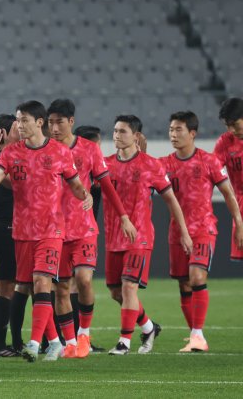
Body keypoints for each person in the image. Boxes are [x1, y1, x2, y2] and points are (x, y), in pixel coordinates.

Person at [0, 100, 92, 363]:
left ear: (39, 122)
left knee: (42, 282)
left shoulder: (60, 152)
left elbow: (75, 184)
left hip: (51, 231)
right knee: (30, 285)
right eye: (18, 120)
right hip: (22, 232)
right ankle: (53, 342)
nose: (20, 125)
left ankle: (34, 343)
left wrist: (87, 196)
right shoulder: (12, 152)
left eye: (24, 120)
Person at [47, 99, 136, 358]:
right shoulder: (45, 151)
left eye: (59, 122)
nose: (54, 127)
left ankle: (84, 333)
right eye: (50, 122)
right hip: (54, 230)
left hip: (84, 227)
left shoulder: (89, 149)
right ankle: (70, 342)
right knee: (61, 288)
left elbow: (106, 185)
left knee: (84, 280)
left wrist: (124, 217)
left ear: (71, 122)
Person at [103, 115, 191, 356]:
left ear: (136, 136)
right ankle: (150, 327)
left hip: (139, 238)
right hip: (113, 238)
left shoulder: (151, 165)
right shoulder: (105, 164)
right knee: (115, 292)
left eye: (122, 131)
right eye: (115, 131)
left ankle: (124, 342)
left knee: (129, 287)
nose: (117, 136)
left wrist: (184, 232)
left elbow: (171, 200)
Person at [161, 111, 243, 352]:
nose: (173, 135)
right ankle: (196, 335)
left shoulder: (209, 161)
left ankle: (197, 335)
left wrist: (239, 222)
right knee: (184, 285)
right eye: (171, 130)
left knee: (197, 278)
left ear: (193, 134)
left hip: (203, 229)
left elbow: (228, 194)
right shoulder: (165, 163)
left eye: (179, 130)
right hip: (177, 232)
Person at [0, 114, 24, 357]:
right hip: (3, 225)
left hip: (6, 226)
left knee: (11, 286)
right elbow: (15, 185)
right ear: (4, 133)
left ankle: (6, 342)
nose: (20, 130)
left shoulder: (1, 157)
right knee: (4, 286)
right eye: (15, 128)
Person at [214, 97, 243, 264]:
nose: (231, 129)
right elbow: (210, 170)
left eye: (234, 124)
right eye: (227, 125)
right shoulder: (225, 142)